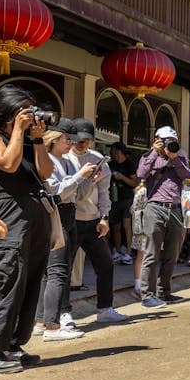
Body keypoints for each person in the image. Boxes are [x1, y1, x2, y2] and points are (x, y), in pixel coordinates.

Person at [0, 85, 53, 373]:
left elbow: (45, 173)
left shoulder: (29, 140)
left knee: (29, 283)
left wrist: (38, 138)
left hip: (34, 217)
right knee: (8, 281)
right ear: (8, 111)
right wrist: (17, 131)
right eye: (25, 111)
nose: (30, 116)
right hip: (9, 216)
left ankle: (13, 343)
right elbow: (7, 164)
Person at [65, 118, 128, 323]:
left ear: (91, 140)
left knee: (106, 264)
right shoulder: (64, 158)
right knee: (63, 269)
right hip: (70, 220)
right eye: (77, 139)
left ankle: (105, 308)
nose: (80, 144)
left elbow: (104, 194)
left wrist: (104, 218)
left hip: (93, 221)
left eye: (85, 140)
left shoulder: (100, 160)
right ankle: (62, 313)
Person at [33, 120, 91, 342]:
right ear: (56, 139)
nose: (71, 144)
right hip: (55, 214)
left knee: (53, 272)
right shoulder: (48, 161)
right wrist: (79, 177)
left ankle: (41, 321)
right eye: (68, 139)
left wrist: (87, 179)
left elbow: (78, 195)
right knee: (57, 271)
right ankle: (52, 325)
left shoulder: (67, 161)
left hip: (69, 214)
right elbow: (55, 191)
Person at [137, 126, 190, 308]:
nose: (168, 144)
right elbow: (141, 174)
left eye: (171, 141)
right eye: (164, 141)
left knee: (172, 253)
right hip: (155, 207)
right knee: (151, 253)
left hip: (175, 209)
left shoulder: (180, 157)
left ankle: (164, 291)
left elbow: (187, 175)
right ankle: (147, 295)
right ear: (156, 140)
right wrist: (155, 152)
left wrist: (174, 157)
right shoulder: (149, 157)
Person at [108, 142, 137, 266]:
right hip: (114, 198)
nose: (112, 154)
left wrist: (122, 177)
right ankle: (117, 250)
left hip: (127, 198)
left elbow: (134, 183)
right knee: (115, 226)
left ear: (119, 151)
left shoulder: (130, 165)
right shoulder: (111, 164)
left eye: (114, 151)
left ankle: (129, 253)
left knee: (127, 225)